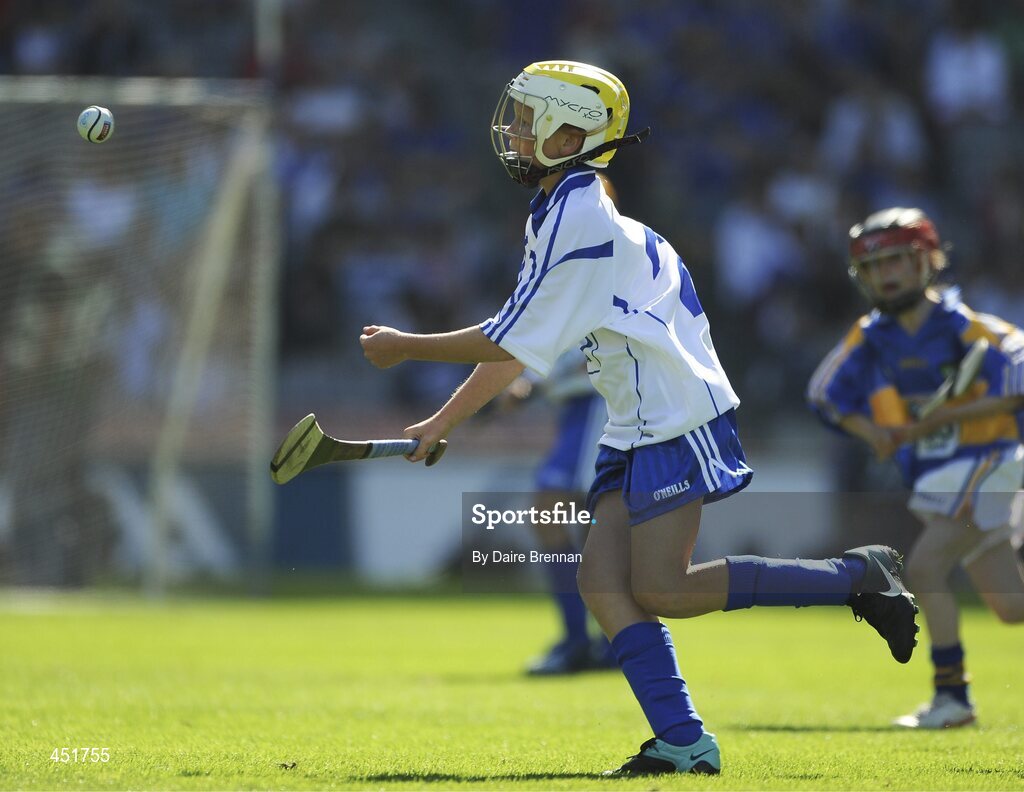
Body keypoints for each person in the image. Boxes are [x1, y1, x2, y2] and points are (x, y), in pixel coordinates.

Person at [360, 60, 919, 776]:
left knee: (664, 588)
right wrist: (443, 421)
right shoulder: (560, 210)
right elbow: (519, 346)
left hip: (672, 414)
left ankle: (854, 577)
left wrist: (408, 348)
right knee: (601, 581)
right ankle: (684, 742)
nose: (514, 129)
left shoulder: (583, 219)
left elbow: (507, 338)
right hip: (636, 420)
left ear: (571, 135)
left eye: (530, 119)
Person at [808, 207, 1024, 729]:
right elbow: (823, 395)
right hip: (939, 478)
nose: (887, 275)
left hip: (989, 464)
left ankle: (953, 699)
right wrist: (875, 433)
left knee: (924, 569)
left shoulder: (965, 327)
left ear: (930, 261)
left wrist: (943, 416)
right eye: (875, 266)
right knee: (1011, 607)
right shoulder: (871, 336)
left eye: (899, 261)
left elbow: (1017, 381)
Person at [499, 350, 614, 675]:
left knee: (553, 516)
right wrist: (530, 384)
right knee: (595, 530)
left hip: (597, 409)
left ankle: (583, 641)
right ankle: (609, 643)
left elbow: (582, 352)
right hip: (582, 412)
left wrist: (530, 384)